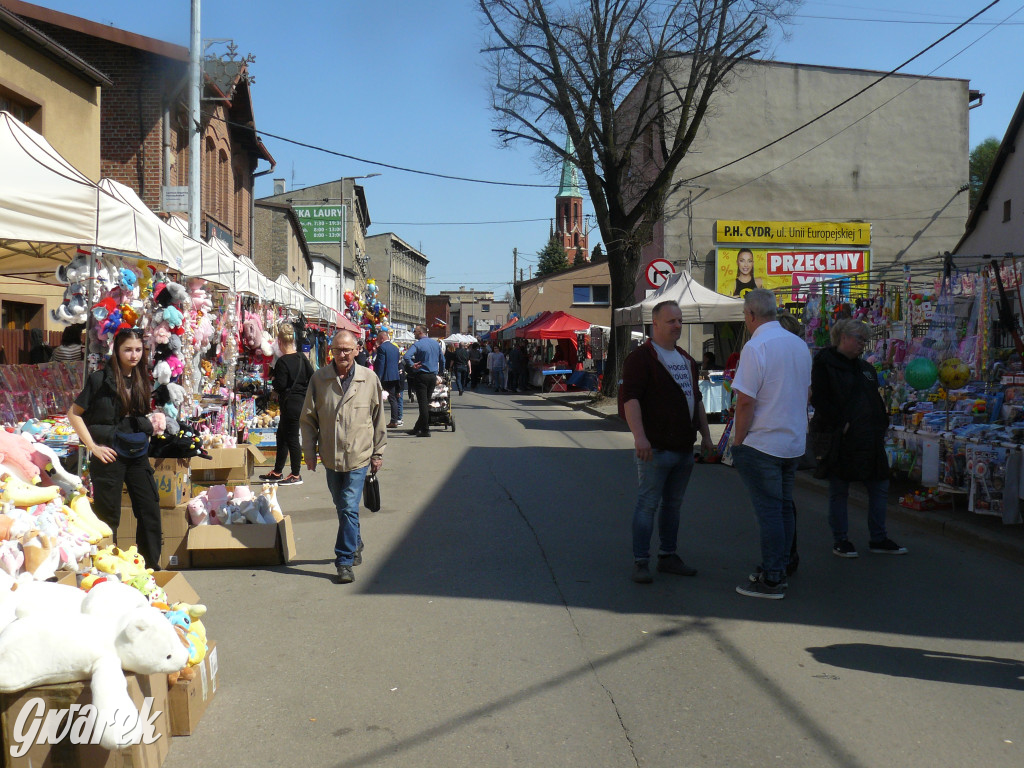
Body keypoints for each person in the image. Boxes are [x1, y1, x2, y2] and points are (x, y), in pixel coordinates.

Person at [620, 300, 714, 584]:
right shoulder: (641, 358)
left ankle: (668, 556)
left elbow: (695, 399)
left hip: (684, 448)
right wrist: (640, 437)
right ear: (655, 324)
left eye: (680, 320)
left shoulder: (686, 359)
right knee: (648, 505)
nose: (677, 326)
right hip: (655, 448)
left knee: (673, 506)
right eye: (671, 321)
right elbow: (630, 399)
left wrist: (707, 436)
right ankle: (641, 561)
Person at [730, 289, 811, 599]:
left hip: (763, 442)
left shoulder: (756, 346)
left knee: (770, 512)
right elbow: (806, 393)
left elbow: (745, 402)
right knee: (783, 508)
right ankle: (781, 565)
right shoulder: (799, 345)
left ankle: (773, 577)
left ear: (751, 315)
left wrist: (737, 442)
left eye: (744, 317)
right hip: (792, 441)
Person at [811, 318, 907, 558]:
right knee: (839, 489)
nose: (863, 344)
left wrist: (881, 423)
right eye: (860, 339)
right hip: (842, 438)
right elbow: (819, 398)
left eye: (865, 339)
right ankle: (841, 539)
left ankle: (878, 537)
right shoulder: (825, 364)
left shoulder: (866, 368)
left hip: (870, 437)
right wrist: (839, 424)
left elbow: (873, 397)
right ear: (844, 337)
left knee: (879, 486)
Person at [67, 327, 161, 568]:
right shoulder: (100, 378)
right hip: (108, 453)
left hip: (136, 452)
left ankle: (149, 566)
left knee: (149, 508)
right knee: (108, 516)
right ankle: (105, 567)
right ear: (116, 350)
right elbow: (75, 414)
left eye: (138, 349)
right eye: (128, 349)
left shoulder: (142, 378)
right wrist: (93, 447)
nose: (134, 355)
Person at [300, 329, 386, 584]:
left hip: (359, 455)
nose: (342, 354)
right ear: (331, 352)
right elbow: (308, 419)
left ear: (357, 350)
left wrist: (378, 452)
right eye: (338, 350)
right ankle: (355, 540)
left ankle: (344, 560)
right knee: (342, 507)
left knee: (349, 506)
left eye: (347, 349)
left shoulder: (369, 379)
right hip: (330, 455)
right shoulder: (319, 379)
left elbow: (378, 419)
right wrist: (309, 452)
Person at [260, 322, 314, 486]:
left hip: (290, 404)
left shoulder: (282, 362)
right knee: (282, 437)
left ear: (281, 343)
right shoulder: (302, 358)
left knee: (291, 439)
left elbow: (280, 386)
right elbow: (312, 376)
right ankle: (277, 471)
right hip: (301, 402)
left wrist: (274, 379)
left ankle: (296, 474)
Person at [402, 325, 442, 437]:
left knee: (423, 404)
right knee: (426, 403)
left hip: (422, 376)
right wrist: (440, 373)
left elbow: (406, 357)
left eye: (415, 331)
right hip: (432, 376)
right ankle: (417, 428)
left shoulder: (418, 344)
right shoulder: (435, 343)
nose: (413, 333)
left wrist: (412, 365)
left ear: (420, 332)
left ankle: (425, 429)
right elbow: (442, 359)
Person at [374, 329, 404, 427]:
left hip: (385, 377)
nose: (377, 340)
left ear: (382, 338)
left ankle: (378, 420)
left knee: (377, 398)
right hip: (394, 376)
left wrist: (377, 378)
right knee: (393, 399)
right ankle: (394, 420)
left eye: (378, 338)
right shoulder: (395, 348)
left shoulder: (382, 348)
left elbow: (381, 364)